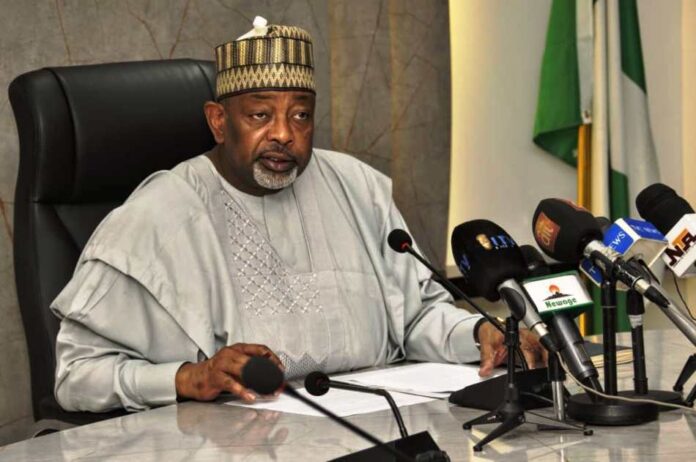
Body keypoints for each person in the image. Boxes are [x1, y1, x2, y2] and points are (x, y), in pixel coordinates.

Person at [51, 17, 545, 413]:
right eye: (261, 115)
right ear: (219, 122)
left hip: (384, 426)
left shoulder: (357, 188)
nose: (285, 134)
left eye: (301, 114)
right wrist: (187, 377)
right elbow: (76, 377)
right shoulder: (157, 216)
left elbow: (413, 319)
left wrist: (479, 334)